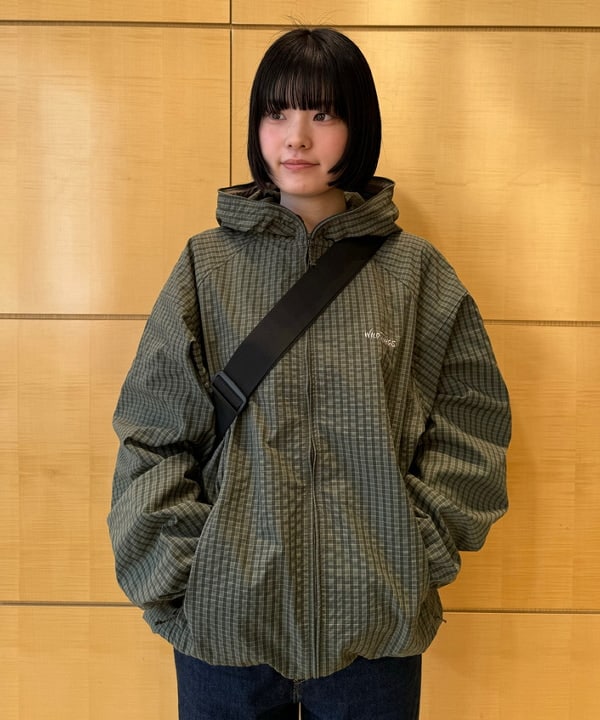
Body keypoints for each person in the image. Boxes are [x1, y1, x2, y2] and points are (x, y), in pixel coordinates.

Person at [108, 27, 511, 720]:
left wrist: (410, 555)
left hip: (373, 635)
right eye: (277, 113)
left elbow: (473, 428)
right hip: (224, 631)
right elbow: (153, 431)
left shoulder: (416, 275)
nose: (296, 137)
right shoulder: (207, 266)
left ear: (359, 127)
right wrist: (189, 572)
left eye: (323, 113)